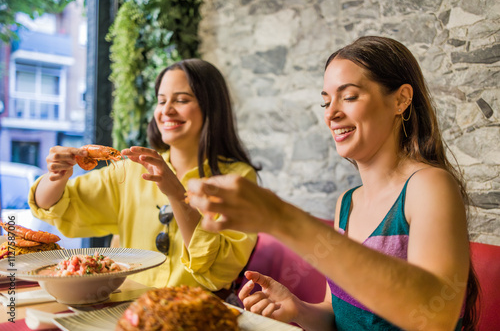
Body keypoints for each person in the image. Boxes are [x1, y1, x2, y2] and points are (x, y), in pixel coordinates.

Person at [186, 36, 479, 330]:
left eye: (349, 97)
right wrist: (297, 310)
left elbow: (435, 316)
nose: (330, 113)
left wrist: (281, 217)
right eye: (326, 101)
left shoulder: (428, 186)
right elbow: (338, 317)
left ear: (401, 99)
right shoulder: (347, 203)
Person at [28, 59, 260, 292]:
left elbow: (223, 269)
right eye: (161, 101)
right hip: (127, 308)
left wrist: (178, 196)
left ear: (211, 107)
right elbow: (54, 205)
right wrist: (56, 175)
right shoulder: (133, 169)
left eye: (181, 100)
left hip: (195, 313)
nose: (166, 110)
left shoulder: (238, 179)